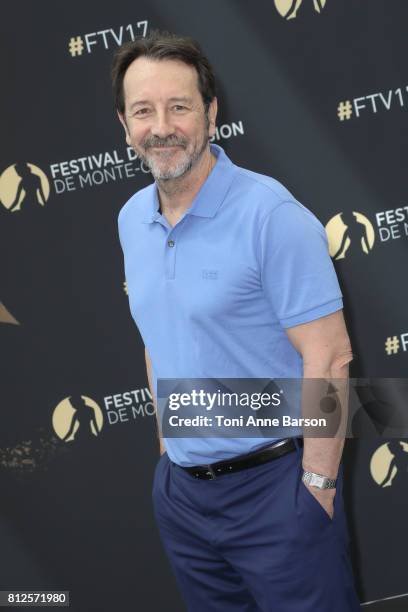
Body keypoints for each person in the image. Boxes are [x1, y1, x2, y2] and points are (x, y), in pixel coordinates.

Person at [112, 30, 360, 611]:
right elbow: (158, 338)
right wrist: (168, 449)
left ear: (212, 113)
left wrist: (317, 487)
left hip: (277, 489)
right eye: (143, 111)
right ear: (125, 126)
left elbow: (331, 356)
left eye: (180, 106)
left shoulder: (271, 216)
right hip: (184, 499)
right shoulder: (130, 219)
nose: (162, 126)